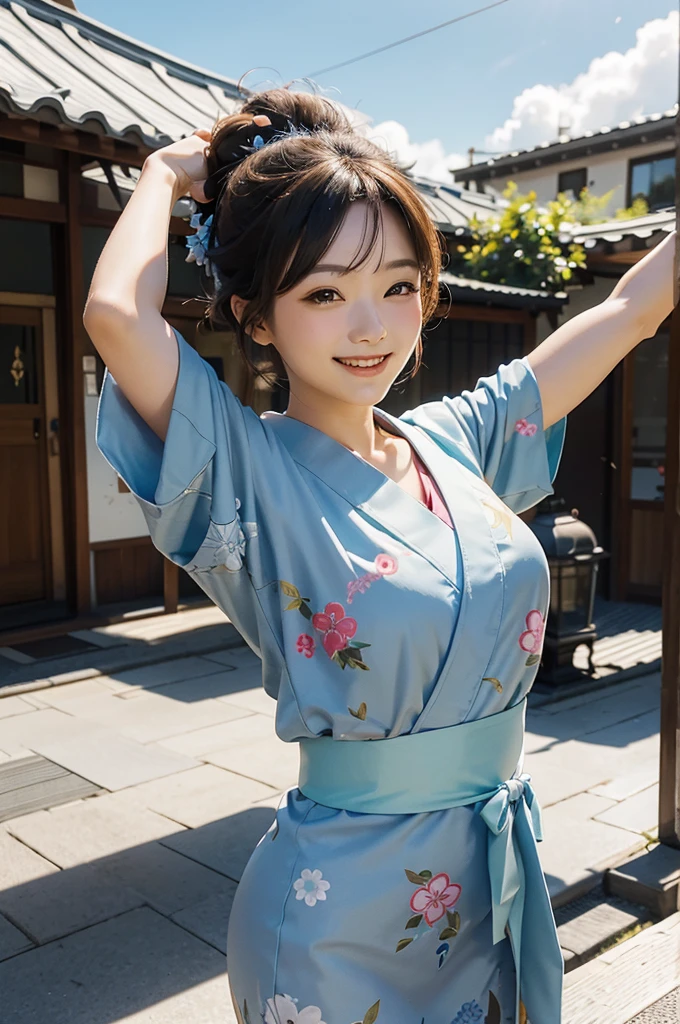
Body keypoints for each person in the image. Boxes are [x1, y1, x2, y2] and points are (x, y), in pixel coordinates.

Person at [84, 87, 675, 1024]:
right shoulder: (242, 468)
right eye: (324, 292)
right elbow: (117, 314)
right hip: (334, 919)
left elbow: (635, 308)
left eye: (398, 286)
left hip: (483, 882)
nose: (372, 326)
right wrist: (161, 172)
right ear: (257, 316)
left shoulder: (457, 439)